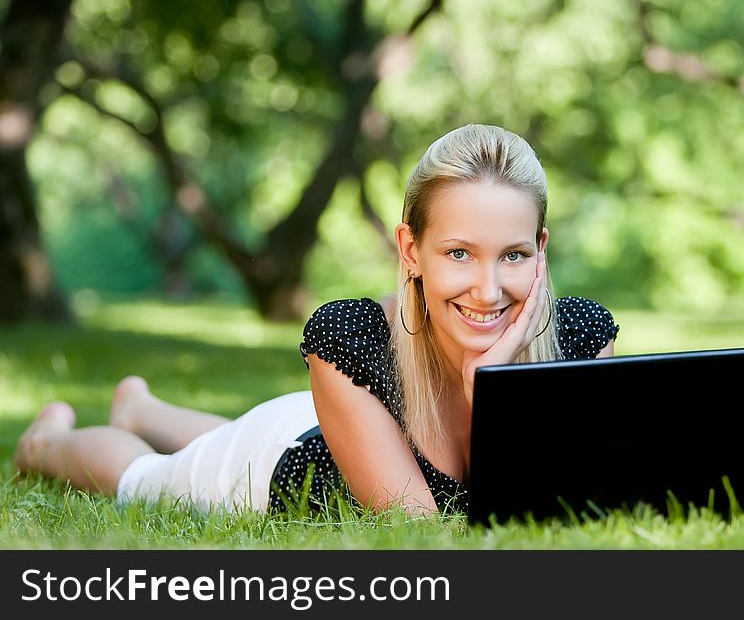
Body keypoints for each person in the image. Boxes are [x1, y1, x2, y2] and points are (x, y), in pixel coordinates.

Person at [14, 124, 619, 516]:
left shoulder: (583, 340)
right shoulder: (348, 339)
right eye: (458, 253)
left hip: (349, 422)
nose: (487, 291)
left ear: (541, 248)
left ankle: (143, 410)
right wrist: (490, 394)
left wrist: (499, 388)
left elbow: (586, 505)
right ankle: (51, 441)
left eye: (512, 255)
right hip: (285, 454)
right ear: (410, 250)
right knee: (143, 480)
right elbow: (424, 533)